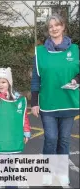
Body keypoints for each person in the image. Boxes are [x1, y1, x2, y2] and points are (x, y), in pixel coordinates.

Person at [31, 14, 79, 186]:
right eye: (50, 26)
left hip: (69, 101)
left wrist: (77, 80)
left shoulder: (75, 49)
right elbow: (36, 78)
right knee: (51, 138)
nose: (54, 28)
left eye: (57, 25)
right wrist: (34, 102)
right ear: (48, 30)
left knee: (64, 140)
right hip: (48, 103)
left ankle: (61, 172)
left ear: (63, 27)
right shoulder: (40, 52)